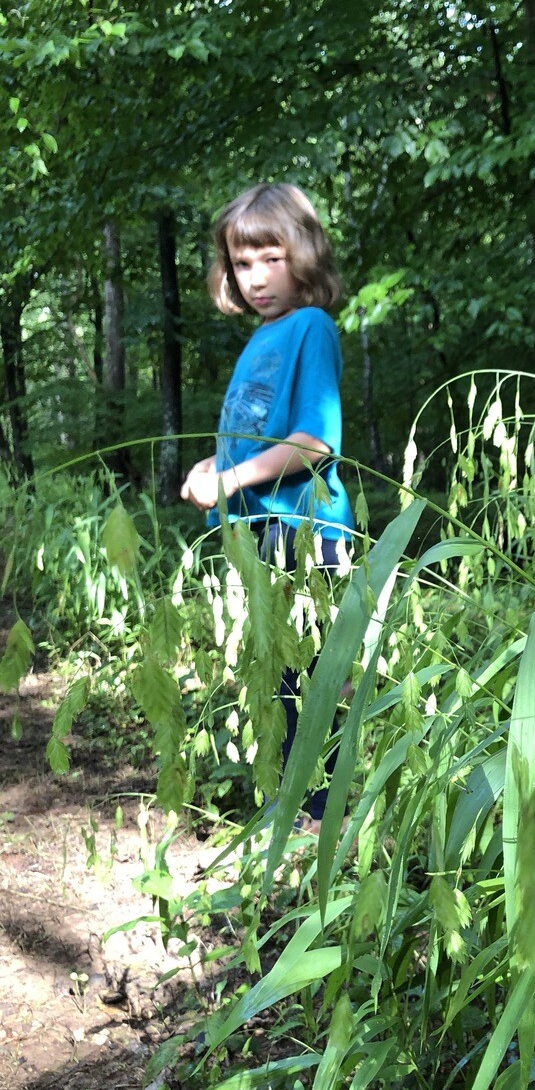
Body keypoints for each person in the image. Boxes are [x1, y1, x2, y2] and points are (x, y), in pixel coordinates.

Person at [181, 182, 355, 833]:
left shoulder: (311, 328)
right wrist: (213, 467)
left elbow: (314, 442)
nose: (254, 278)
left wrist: (230, 480)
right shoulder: (262, 336)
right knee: (275, 678)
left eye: (270, 259)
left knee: (315, 677)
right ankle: (291, 811)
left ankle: (322, 820)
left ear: (303, 254)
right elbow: (257, 437)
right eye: (241, 263)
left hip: (306, 530)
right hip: (260, 532)